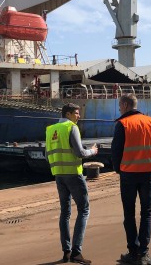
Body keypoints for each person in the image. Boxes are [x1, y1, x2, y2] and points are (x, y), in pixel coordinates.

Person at [111, 94, 151, 265]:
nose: (119, 109)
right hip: (148, 174)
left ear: (126, 105)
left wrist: (119, 170)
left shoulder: (122, 124)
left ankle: (132, 252)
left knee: (129, 213)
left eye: (120, 105)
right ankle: (144, 253)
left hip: (128, 174)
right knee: (146, 213)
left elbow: (115, 152)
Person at [45, 103, 98, 264]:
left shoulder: (50, 130)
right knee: (84, 210)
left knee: (65, 212)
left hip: (59, 175)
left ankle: (66, 252)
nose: (78, 116)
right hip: (74, 175)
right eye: (76, 113)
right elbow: (80, 152)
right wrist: (93, 151)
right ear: (68, 114)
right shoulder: (71, 127)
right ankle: (76, 252)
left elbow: (47, 156)